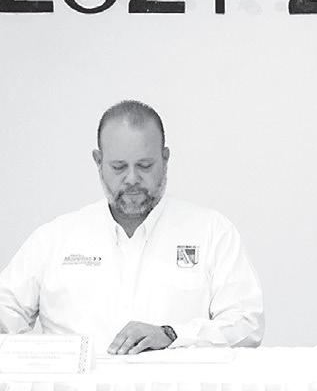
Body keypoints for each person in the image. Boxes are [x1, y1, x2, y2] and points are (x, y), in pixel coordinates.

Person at [0, 100, 264, 354]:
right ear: (98, 161)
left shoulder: (212, 232)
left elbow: (246, 325)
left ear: (165, 158)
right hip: (76, 388)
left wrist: (172, 335)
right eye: (118, 167)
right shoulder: (54, 239)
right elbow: (6, 310)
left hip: (173, 387)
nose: (132, 179)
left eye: (144, 166)